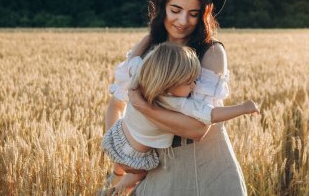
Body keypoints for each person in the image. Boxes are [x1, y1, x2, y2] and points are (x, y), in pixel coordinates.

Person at [104, 0, 259, 196]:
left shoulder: (212, 52)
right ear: (161, 6)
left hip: (206, 171)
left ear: (203, 15)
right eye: (175, 10)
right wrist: (122, 159)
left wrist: (143, 108)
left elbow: (197, 129)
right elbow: (117, 103)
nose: (183, 21)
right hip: (156, 170)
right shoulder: (147, 46)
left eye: (193, 13)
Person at [101, 42, 259, 194]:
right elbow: (210, 114)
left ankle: (112, 185)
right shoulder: (176, 103)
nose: (194, 86)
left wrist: (150, 36)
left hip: (117, 137)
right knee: (139, 175)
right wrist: (242, 108)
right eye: (189, 82)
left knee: (126, 177)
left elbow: (132, 61)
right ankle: (112, 192)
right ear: (169, 83)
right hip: (135, 157)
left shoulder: (140, 80)